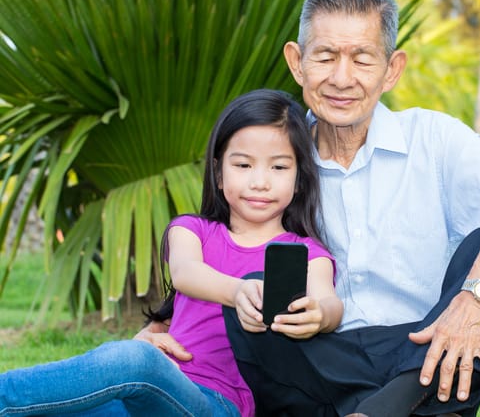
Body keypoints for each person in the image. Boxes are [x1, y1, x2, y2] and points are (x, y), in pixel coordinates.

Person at [141, 0, 480, 417]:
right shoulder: (278, 158)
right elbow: (228, 245)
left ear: (392, 69)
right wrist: (156, 330)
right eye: (325, 56)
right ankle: (400, 405)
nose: (341, 78)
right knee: (255, 308)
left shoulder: (433, 138)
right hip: (316, 361)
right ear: (297, 63)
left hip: (425, 350)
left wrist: (473, 303)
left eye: (362, 59)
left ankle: (388, 405)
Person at [0, 89, 340, 417]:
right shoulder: (192, 231)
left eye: (278, 167)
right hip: (148, 390)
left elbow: (329, 302)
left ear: (299, 180)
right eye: (244, 165)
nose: (260, 182)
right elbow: (186, 273)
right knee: (57, 403)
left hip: (215, 405)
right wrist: (238, 291)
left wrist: (318, 315)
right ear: (219, 173)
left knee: (137, 360)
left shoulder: (306, 253)